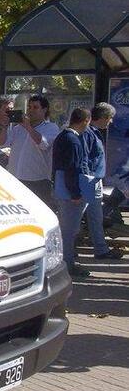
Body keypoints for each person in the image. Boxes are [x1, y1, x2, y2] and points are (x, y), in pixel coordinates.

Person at [0, 94, 60, 208]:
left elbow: (43, 144)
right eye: (29, 107)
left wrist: (28, 127)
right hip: (16, 178)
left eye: (35, 107)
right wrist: (4, 126)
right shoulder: (17, 129)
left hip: (37, 181)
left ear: (44, 109)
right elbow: (2, 143)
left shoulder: (51, 127)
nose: (31, 110)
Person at [52, 107, 92, 277]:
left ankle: (66, 261)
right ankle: (67, 264)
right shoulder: (73, 140)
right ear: (85, 121)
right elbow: (72, 168)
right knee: (69, 230)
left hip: (61, 187)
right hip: (69, 191)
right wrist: (75, 193)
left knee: (65, 227)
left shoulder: (63, 136)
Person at [81, 102, 123, 260]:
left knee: (95, 216)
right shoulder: (88, 133)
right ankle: (69, 251)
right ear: (104, 117)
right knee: (79, 217)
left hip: (95, 181)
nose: (111, 122)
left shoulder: (95, 133)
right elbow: (84, 159)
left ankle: (100, 249)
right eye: (110, 118)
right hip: (89, 181)